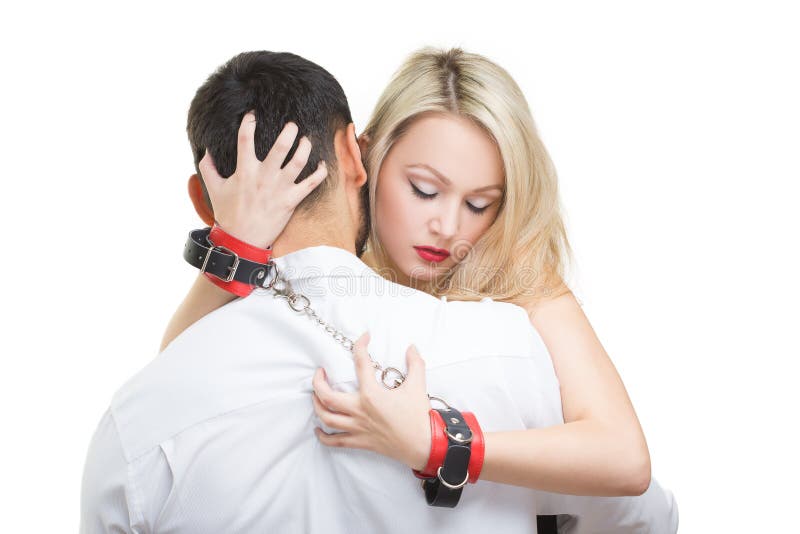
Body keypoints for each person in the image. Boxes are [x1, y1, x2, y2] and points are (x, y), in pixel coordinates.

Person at [80, 50, 679, 533]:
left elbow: (630, 472)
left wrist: (438, 444)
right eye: (423, 190)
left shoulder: (524, 304)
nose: (447, 226)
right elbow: (185, 371)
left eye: (479, 204)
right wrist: (236, 245)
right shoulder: (319, 291)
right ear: (362, 157)